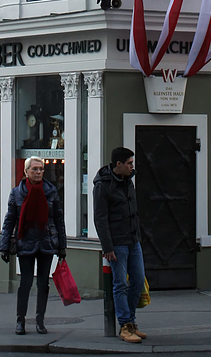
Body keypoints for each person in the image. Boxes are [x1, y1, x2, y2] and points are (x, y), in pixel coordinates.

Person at [0, 156, 67, 335]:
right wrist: (4, 246)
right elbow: (9, 221)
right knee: (26, 283)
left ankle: (40, 321)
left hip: (46, 241)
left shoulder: (51, 191)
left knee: (43, 283)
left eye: (41, 169)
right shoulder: (17, 193)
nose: (38, 172)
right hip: (26, 243)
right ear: (26, 171)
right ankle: (20, 321)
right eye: (35, 169)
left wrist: (62, 245)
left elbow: (59, 220)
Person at [93, 147, 146, 344]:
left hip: (133, 240)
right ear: (118, 164)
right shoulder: (103, 185)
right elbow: (100, 218)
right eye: (129, 163)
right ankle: (125, 325)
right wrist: (108, 246)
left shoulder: (128, 181)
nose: (132, 167)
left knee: (138, 281)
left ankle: (130, 322)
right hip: (117, 243)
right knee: (120, 283)